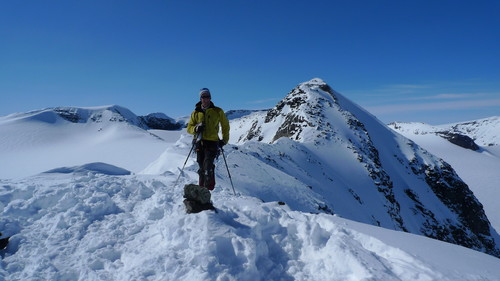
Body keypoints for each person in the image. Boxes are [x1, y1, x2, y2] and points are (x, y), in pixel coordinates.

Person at [187, 88, 230, 191]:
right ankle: (202, 188)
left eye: (207, 96)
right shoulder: (195, 112)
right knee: (201, 166)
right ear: (200, 98)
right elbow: (189, 128)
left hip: (212, 142)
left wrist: (224, 140)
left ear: (210, 98)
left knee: (208, 165)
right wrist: (196, 128)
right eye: (203, 97)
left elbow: (225, 125)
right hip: (199, 142)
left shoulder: (217, 111)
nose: (205, 99)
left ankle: (208, 188)